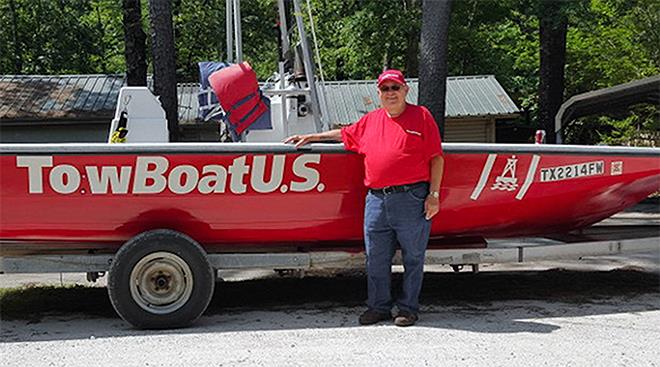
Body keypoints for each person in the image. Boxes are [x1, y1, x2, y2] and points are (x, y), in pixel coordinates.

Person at [285, 69, 444, 327]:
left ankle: (408, 308)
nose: (390, 93)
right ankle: (378, 307)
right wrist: (314, 137)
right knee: (376, 257)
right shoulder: (371, 120)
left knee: (413, 257)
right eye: (385, 89)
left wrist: (434, 196)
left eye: (395, 87)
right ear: (379, 94)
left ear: (406, 90)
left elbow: (437, 158)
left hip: (411, 198)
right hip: (376, 201)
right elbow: (345, 133)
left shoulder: (422, 116)